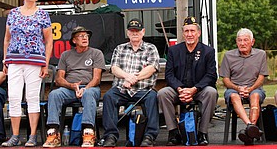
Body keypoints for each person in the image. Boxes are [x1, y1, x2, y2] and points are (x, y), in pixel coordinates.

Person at [2, 0, 53, 147]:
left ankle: (32, 136)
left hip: (35, 61)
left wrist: (45, 63)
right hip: (14, 60)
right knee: (14, 97)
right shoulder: (13, 14)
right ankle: (15, 136)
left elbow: (49, 41)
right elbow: (7, 39)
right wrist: (5, 59)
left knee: (32, 97)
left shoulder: (43, 14)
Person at [158, 16, 218, 146]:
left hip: (199, 90)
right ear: (183, 33)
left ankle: (202, 133)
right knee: (162, 93)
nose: (189, 34)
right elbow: (169, 74)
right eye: (186, 31)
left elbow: (211, 75)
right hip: (178, 90)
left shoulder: (208, 51)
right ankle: (173, 132)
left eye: (192, 31)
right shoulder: (174, 50)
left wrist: (194, 89)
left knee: (211, 92)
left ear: (198, 33)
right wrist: (180, 89)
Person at [43, 26, 106, 148]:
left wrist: (84, 89)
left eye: (86, 36)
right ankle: (53, 134)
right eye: (81, 36)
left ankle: (88, 133)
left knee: (88, 94)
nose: (85, 38)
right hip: (70, 89)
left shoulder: (96, 53)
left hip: (90, 88)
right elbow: (59, 79)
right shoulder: (66, 55)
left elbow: (97, 79)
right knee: (54, 94)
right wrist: (72, 86)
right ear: (74, 40)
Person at [102, 18, 160, 147]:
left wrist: (134, 79)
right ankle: (110, 136)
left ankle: (150, 136)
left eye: (137, 31)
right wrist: (127, 77)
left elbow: (151, 68)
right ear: (127, 33)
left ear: (143, 32)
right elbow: (114, 68)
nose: (135, 33)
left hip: (143, 89)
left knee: (152, 98)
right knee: (109, 97)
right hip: (122, 89)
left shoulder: (151, 48)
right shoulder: (119, 48)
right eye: (132, 31)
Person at [219, 28, 268, 145]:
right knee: (234, 96)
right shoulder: (228, 55)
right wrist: (238, 88)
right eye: (239, 40)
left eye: (246, 40)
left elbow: (261, 78)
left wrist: (250, 89)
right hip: (234, 88)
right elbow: (225, 79)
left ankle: (248, 133)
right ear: (236, 42)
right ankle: (250, 126)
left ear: (252, 42)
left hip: (254, 88)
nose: (242, 43)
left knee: (255, 96)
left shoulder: (261, 54)